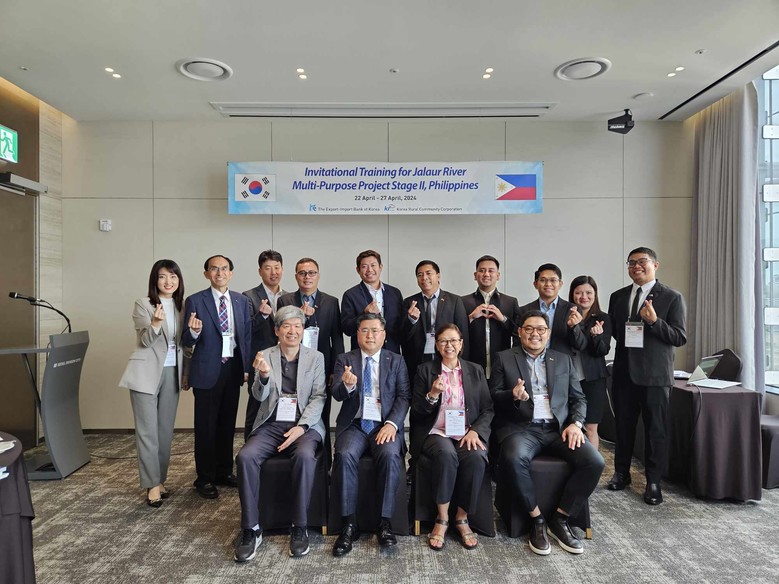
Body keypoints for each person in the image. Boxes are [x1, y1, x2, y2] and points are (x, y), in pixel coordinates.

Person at [490, 310, 605, 556]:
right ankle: (537, 519)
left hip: (558, 429)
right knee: (513, 458)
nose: (535, 334)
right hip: (521, 428)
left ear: (548, 333)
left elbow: (578, 398)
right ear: (520, 331)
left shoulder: (563, 360)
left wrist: (576, 424)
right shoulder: (504, 358)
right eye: (529, 329)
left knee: (595, 461)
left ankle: (560, 518)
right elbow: (493, 397)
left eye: (541, 329)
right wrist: (513, 396)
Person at [234, 306, 326, 561]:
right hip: (271, 423)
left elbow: (319, 396)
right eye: (286, 326)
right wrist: (263, 376)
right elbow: (258, 395)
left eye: (297, 326)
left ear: (303, 330)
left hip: (304, 425)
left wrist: (301, 427)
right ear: (277, 330)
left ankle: (299, 526)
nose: (292, 331)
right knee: (245, 457)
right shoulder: (264, 355)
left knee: (305, 456)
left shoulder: (315, 357)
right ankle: (251, 528)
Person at [606, 247, 686, 505]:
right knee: (623, 428)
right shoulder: (618, 296)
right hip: (623, 374)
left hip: (655, 378)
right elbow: (618, 333)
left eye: (642, 262)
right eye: (631, 263)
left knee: (655, 431)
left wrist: (654, 322)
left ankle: (653, 482)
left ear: (655, 265)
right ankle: (621, 473)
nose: (636, 267)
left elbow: (679, 337)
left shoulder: (672, 297)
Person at [330, 313, 410, 556]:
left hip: (384, 424)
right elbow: (336, 393)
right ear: (357, 334)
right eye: (365, 330)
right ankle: (349, 524)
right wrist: (347, 385)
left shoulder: (396, 360)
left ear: (384, 335)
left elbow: (403, 396)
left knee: (390, 455)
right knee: (344, 455)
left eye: (375, 330)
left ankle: (384, 523)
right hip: (355, 424)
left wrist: (392, 424)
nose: (370, 335)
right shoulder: (345, 359)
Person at [410, 324, 492, 551]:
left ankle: (462, 518)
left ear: (461, 344)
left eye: (454, 340)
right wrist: (432, 395)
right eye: (444, 341)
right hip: (436, 431)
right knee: (446, 455)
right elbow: (416, 411)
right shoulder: (425, 370)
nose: (449, 345)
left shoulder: (475, 370)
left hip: (466, 431)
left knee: (476, 456)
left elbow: (487, 409)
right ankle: (442, 518)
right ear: (437, 345)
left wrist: (475, 431)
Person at [182, 255, 252, 499]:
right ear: (206, 274)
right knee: (205, 427)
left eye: (224, 269)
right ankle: (204, 478)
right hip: (206, 371)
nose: (219, 273)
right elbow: (186, 339)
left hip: (232, 369)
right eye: (214, 269)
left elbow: (246, 337)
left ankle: (224, 471)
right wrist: (193, 332)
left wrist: (246, 367)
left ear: (231, 273)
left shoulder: (241, 301)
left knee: (227, 424)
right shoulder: (195, 300)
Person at [118, 259, 185, 507]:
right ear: (155, 280)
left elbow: (184, 344)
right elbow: (144, 341)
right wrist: (155, 324)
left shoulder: (182, 307)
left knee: (165, 432)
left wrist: (195, 333)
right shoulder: (143, 304)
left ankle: (160, 479)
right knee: (148, 432)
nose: (168, 281)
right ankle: (152, 484)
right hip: (145, 374)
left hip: (172, 372)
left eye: (173, 277)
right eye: (162, 276)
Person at [278, 257, 345, 459]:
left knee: (321, 413)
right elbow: (282, 333)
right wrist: (302, 317)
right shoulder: (285, 301)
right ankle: (294, 456)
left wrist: (335, 370)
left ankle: (324, 463)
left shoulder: (331, 301)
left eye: (311, 273)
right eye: (302, 273)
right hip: (292, 365)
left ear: (318, 275)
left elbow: (336, 338)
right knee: (292, 413)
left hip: (322, 367)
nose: (307, 277)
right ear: (296, 276)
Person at [242, 249, 288, 441]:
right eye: (268, 268)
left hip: (285, 360)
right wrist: (261, 315)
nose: (273, 272)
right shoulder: (249, 296)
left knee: (282, 406)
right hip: (260, 361)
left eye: (277, 267)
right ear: (260, 271)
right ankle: (249, 447)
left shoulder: (289, 297)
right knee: (256, 406)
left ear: (282, 269)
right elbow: (244, 332)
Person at [402, 260, 469, 383]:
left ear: (438, 276)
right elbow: (403, 336)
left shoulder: (454, 301)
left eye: (428, 273)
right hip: (418, 361)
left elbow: (463, 333)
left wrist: (461, 362)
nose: (424, 278)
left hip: (447, 358)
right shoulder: (409, 302)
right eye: (420, 275)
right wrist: (412, 320)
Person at [567, 275, 612, 449]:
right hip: (568, 378)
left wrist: (596, 336)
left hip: (593, 379)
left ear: (595, 294)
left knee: (591, 428)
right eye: (579, 292)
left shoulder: (603, 318)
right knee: (569, 425)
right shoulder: (566, 315)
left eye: (588, 293)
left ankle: (593, 465)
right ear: (572, 294)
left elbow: (602, 350)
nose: (583, 297)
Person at [461, 255, 520, 380]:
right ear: (475, 275)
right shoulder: (463, 301)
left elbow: (518, 333)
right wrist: (471, 317)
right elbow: (456, 332)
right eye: (482, 270)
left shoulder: (510, 302)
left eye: (491, 271)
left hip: (502, 365)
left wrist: (503, 319)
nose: (486, 274)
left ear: (498, 275)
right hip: (472, 365)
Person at [341, 250, 404, 354]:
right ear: (358, 270)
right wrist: (364, 314)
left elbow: (401, 326)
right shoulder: (351, 295)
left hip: (391, 353)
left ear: (380, 267)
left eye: (373, 265)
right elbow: (347, 329)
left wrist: (411, 319)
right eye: (364, 266)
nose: (369, 270)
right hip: (363, 354)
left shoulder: (395, 293)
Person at [519, 263, 579, 355]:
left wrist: (573, 327)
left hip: (562, 362)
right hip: (530, 361)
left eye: (553, 280)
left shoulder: (572, 310)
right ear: (535, 284)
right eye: (543, 280)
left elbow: (580, 345)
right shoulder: (523, 311)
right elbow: (518, 342)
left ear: (560, 284)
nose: (548, 284)